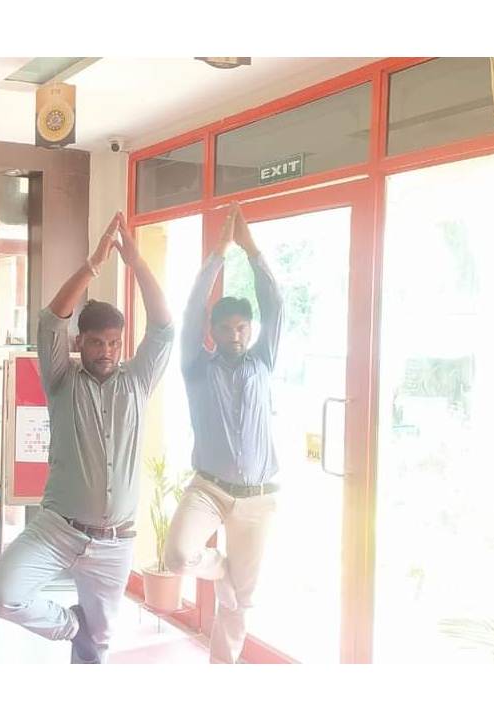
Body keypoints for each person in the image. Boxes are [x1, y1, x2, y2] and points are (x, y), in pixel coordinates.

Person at [0, 212, 173, 663]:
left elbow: (164, 327)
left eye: (114, 343)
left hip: (116, 540)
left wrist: (136, 263)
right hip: (58, 528)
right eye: (96, 342)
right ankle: (72, 626)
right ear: (79, 342)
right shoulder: (62, 380)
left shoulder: (137, 381)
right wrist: (93, 264)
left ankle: (86, 642)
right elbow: (51, 320)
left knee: (98, 648)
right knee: (1, 595)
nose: (106, 352)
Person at [164, 201, 284, 664]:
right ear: (212, 331)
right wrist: (218, 253)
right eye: (227, 327)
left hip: (257, 499)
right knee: (178, 556)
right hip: (209, 489)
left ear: (250, 330)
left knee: (241, 602)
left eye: (242, 327)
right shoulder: (198, 366)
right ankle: (221, 571)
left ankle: (221, 670)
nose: (236, 334)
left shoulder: (262, 362)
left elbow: (275, 304)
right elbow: (193, 308)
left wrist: (251, 250)